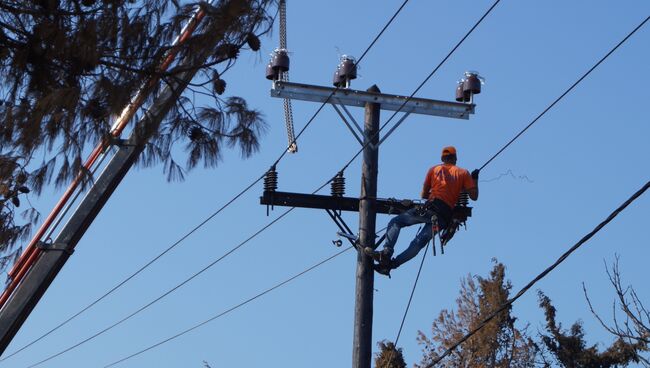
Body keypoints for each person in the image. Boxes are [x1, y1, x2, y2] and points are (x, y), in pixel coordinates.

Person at [365, 146, 479, 276]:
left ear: (442, 158)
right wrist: (474, 179)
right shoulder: (464, 173)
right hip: (443, 217)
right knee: (418, 243)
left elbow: (423, 194)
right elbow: (474, 196)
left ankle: (386, 254)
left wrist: (436, 192)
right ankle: (391, 265)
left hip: (431, 208)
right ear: (455, 158)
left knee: (396, 222)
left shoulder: (434, 170)